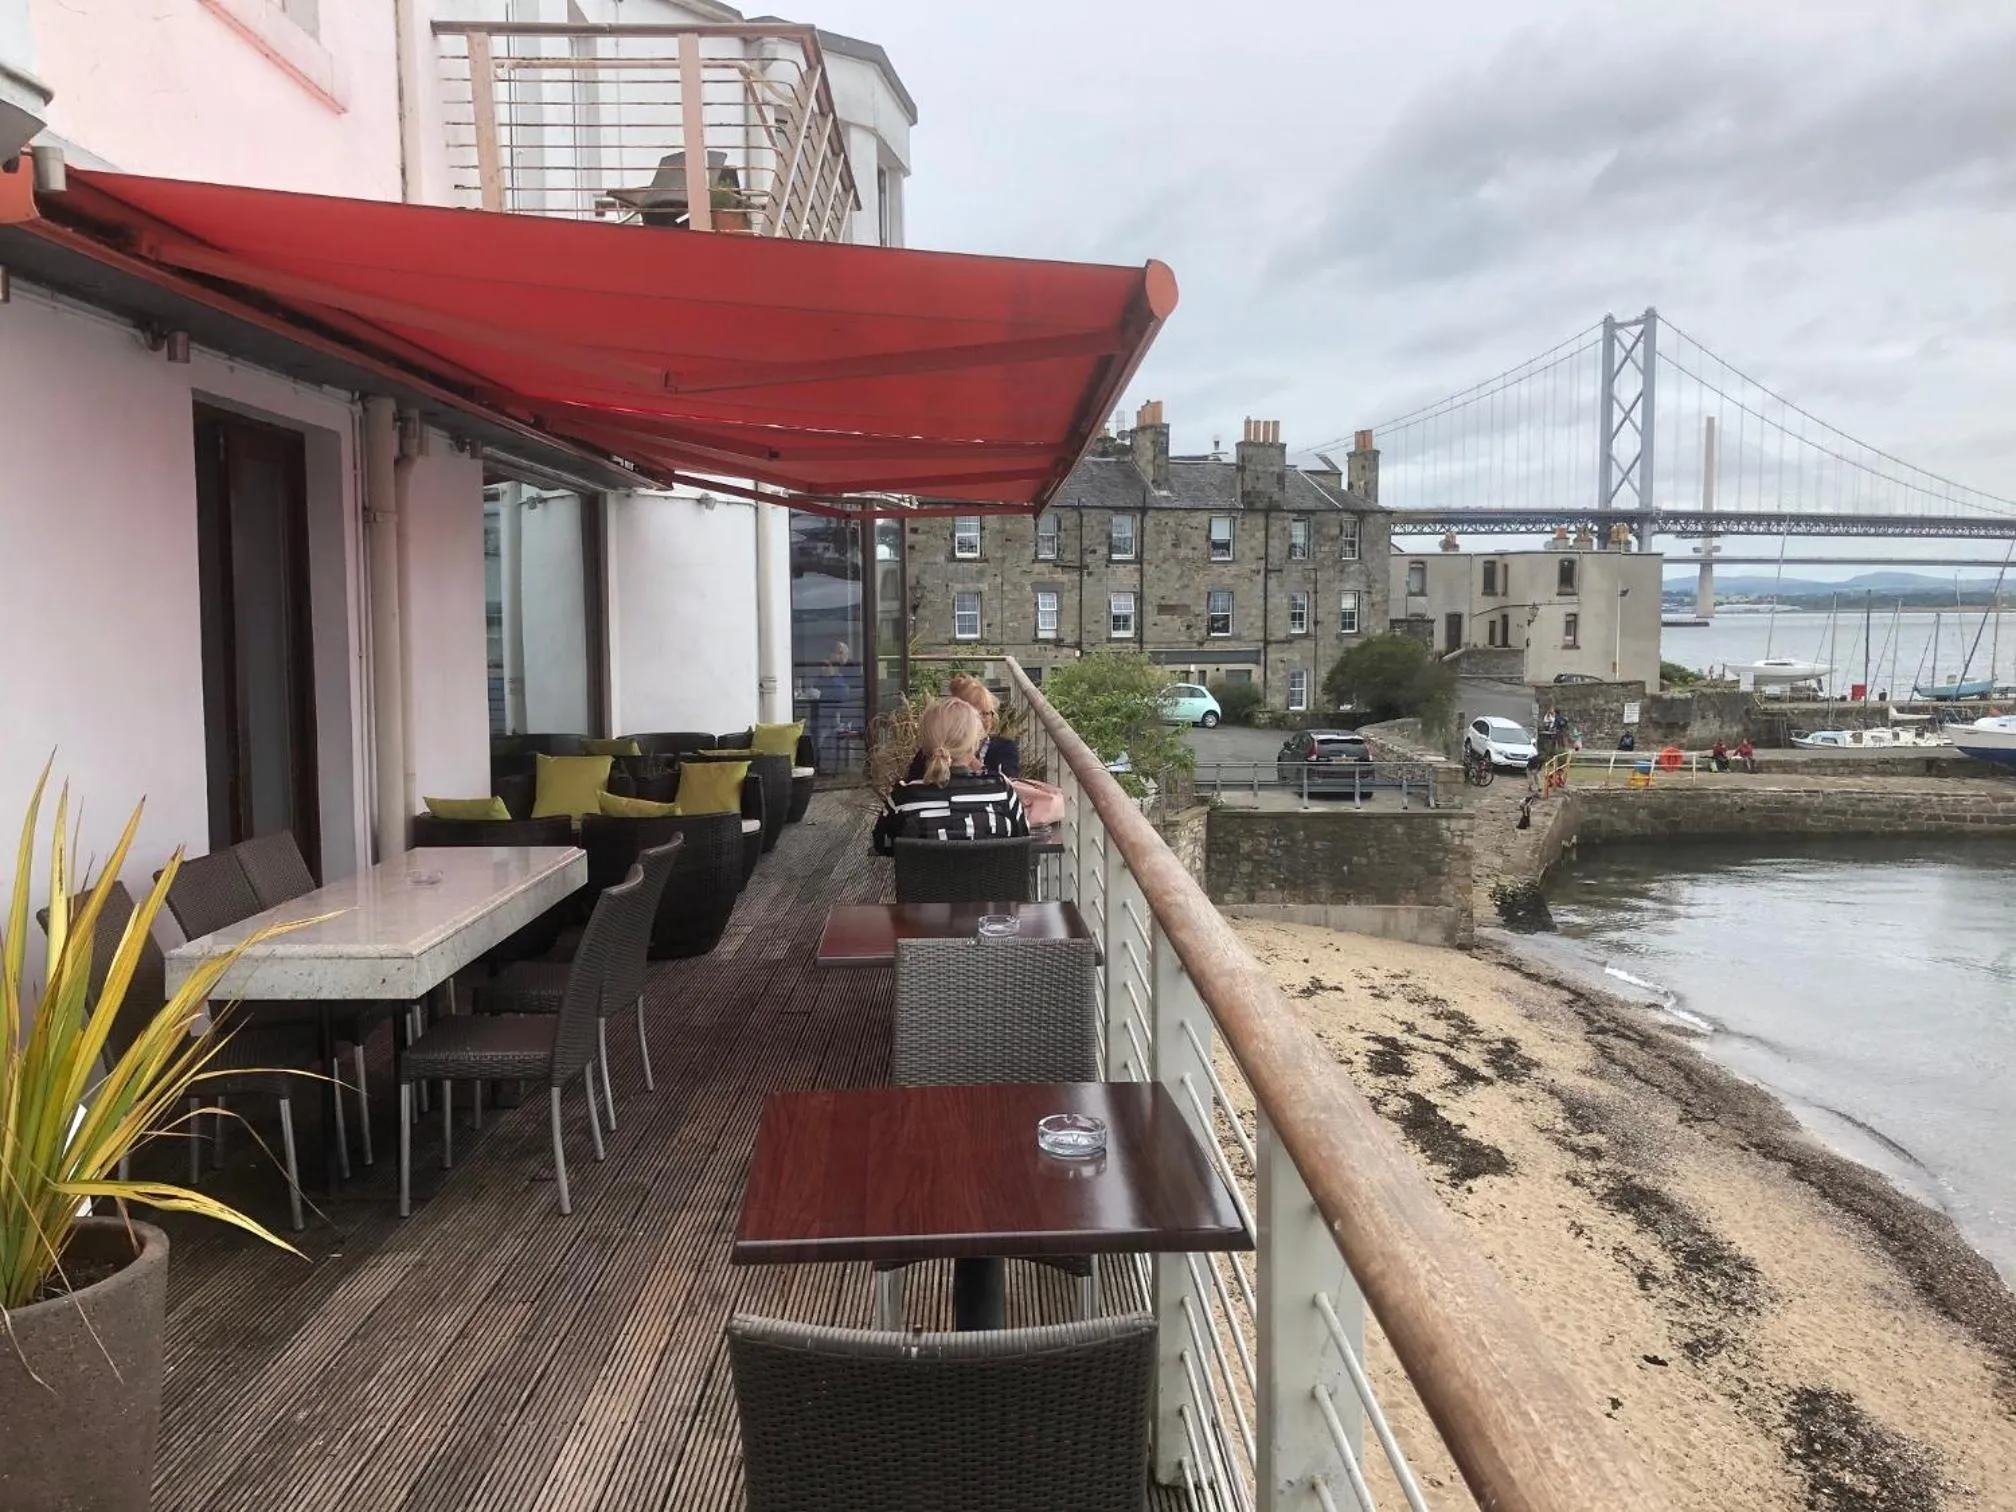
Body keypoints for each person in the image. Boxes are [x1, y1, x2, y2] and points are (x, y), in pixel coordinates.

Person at [874, 698, 1030, 853]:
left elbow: (882, 844)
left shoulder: (903, 798)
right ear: (974, 745)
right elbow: (1022, 841)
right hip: (994, 878)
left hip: (925, 878)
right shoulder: (1002, 792)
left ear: (925, 745)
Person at [904, 673, 1021, 780]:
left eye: (986, 713)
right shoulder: (933, 750)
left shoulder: (1005, 748)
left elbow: (1009, 785)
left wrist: (969, 759)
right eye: (973, 714)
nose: (980, 721)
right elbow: (912, 788)